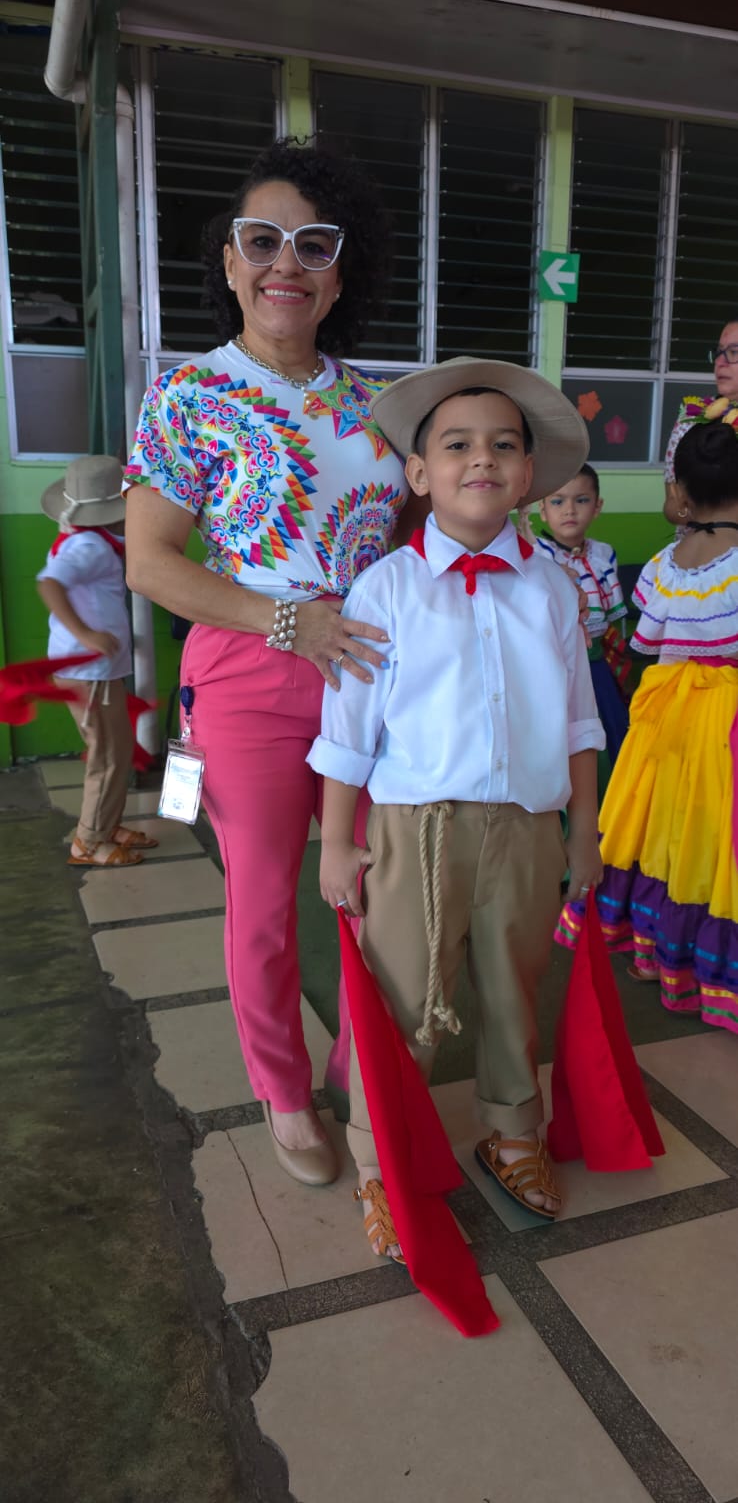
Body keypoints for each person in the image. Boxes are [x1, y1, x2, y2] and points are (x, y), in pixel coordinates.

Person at [124, 139, 414, 1187]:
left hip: (377, 674)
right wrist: (287, 623)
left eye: (314, 244)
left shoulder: (383, 407)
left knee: (378, 884)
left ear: (342, 272)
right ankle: (285, 1089)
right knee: (261, 896)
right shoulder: (190, 396)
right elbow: (154, 565)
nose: (285, 263)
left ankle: (367, 1069)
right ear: (233, 263)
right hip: (252, 674)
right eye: (263, 241)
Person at [308, 358, 605, 1260]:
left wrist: (582, 829)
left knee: (514, 991)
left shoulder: (552, 586)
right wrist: (337, 842)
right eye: (458, 445)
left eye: (504, 446)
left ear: (529, 473)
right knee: (401, 1001)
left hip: (523, 831)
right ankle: (380, 1159)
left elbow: (580, 717)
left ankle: (512, 1134)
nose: (484, 459)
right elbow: (349, 728)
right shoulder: (387, 588)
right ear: (419, 473)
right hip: (414, 838)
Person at [556, 416, 738, 1033]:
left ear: (680, 494)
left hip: (664, 715)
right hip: (726, 718)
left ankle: (653, 955)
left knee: (663, 826)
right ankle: (708, 968)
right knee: (715, 840)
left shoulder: (664, 563)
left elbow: (648, 639)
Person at [37, 455, 157, 868]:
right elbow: (49, 584)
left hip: (97, 671)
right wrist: (88, 636)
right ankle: (87, 842)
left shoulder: (97, 541)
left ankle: (108, 826)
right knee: (107, 756)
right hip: (88, 671)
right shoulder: (87, 546)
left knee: (118, 750)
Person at [536, 463, 629, 777]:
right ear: (542, 509)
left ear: (598, 506)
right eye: (558, 501)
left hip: (598, 664)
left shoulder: (604, 554)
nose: (570, 510)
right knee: (563, 736)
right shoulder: (537, 556)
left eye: (582, 500)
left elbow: (612, 623)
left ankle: (606, 812)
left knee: (608, 731)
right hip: (556, 664)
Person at [663, 316, 738, 533]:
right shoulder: (691, 419)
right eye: (719, 352)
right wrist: (693, 510)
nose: (720, 362)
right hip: (697, 554)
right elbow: (671, 507)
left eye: (734, 352)